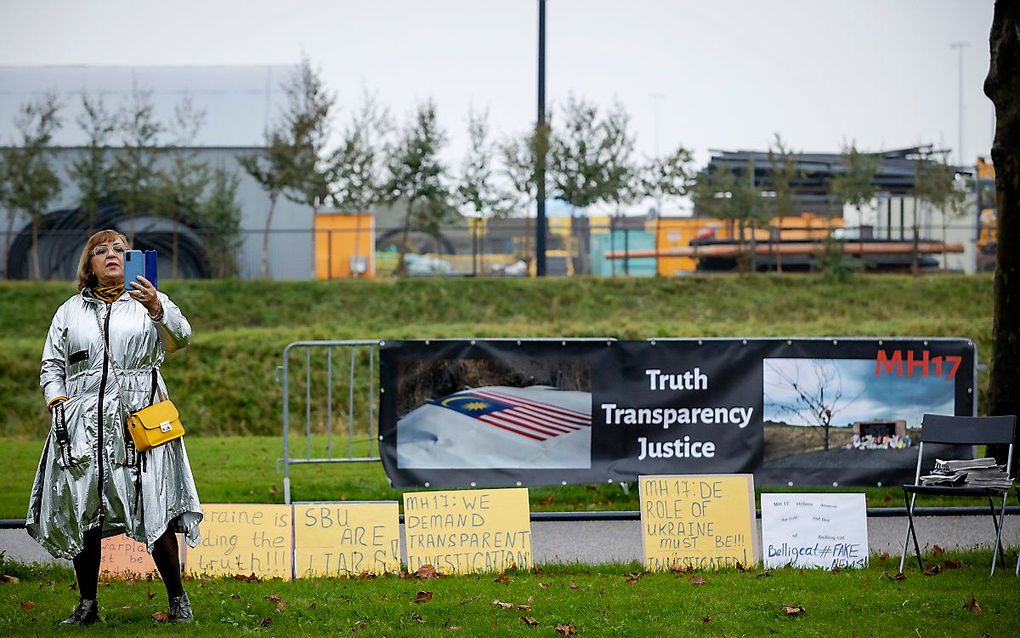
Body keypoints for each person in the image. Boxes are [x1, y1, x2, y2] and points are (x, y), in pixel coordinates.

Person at [26, 230, 203, 625]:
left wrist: (157, 306)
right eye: (100, 251)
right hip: (83, 426)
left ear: (131, 259)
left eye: (120, 250)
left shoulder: (148, 300)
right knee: (83, 508)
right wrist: (58, 400)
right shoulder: (69, 310)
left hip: (140, 422)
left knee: (155, 506)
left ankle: (178, 600)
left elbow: (182, 337)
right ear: (88, 264)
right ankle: (87, 606)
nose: (110, 255)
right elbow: (51, 365)